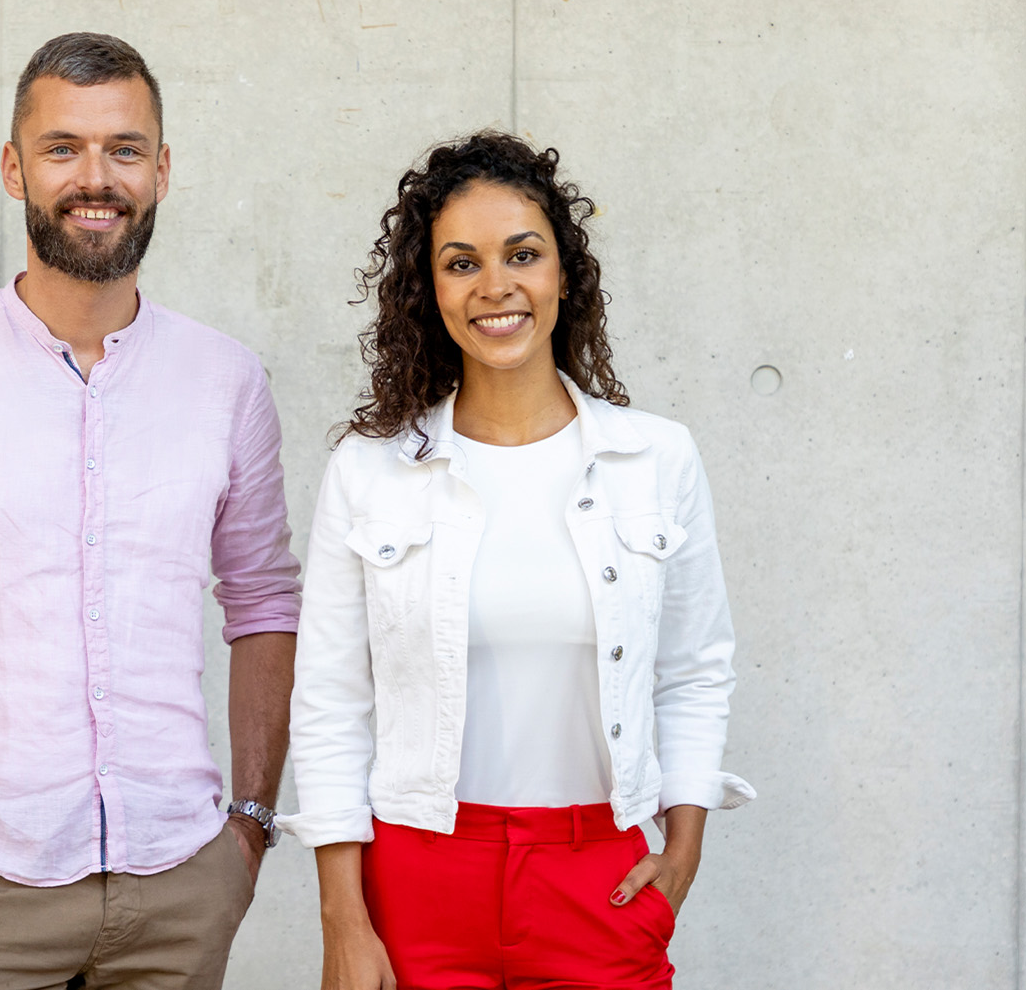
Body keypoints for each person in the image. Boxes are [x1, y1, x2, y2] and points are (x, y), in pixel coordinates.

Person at [0, 32, 301, 990]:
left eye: (124, 149)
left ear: (161, 172)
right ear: (14, 167)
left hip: (179, 882)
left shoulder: (226, 380)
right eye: (62, 146)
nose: (96, 177)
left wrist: (247, 828)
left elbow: (265, 604)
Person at [280, 131, 755, 990]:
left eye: (522, 254)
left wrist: (682, 849)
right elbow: (330, 700)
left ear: (564, 273)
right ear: (430, 288)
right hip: (418, 878)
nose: (495, 286)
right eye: (461, 263)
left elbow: (695, 669)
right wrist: (343, 917)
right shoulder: (370, 469)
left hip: (598, 876)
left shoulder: (657, 459)